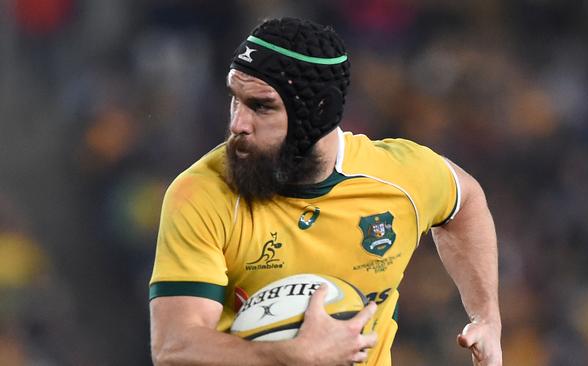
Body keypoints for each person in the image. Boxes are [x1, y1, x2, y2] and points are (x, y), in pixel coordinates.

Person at [149, 17, 502, 366]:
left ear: (319, 111)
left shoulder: (398, 177)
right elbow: (176, 346)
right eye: (235, 100)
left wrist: (487, 317)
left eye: (261, 106)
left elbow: (465, 201)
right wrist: (289, 358)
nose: (237, 124)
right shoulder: (201, 194)